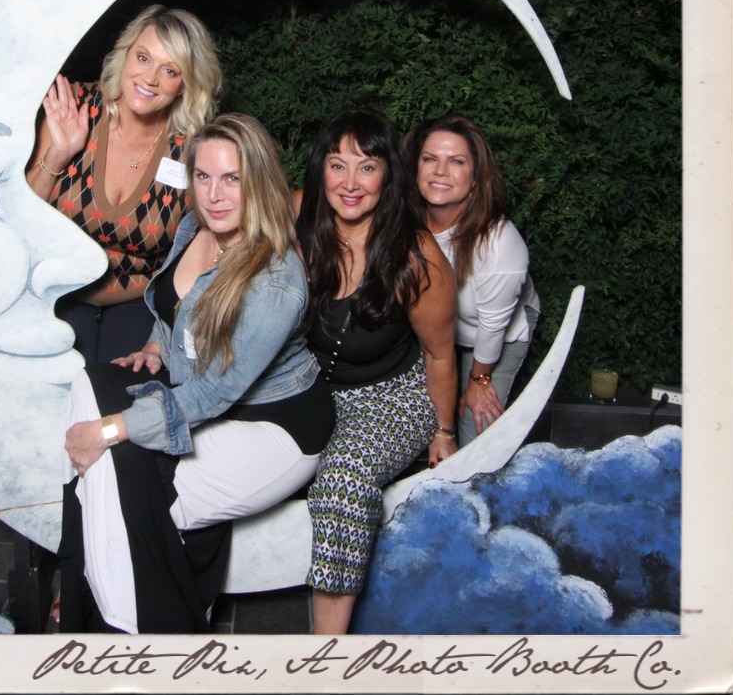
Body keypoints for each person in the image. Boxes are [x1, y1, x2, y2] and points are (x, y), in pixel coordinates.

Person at [59, 113, 336, 634]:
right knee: (91, 382)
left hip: (273, 425)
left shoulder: (277, 279)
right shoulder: (194, 229)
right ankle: (109, 599)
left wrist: (108, 431)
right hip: (201, 395)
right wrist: (154, 347)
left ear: (259, 181)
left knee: (120, 474)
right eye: (204, 177)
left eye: (232, 179)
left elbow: (212, 394)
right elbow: (174, 310)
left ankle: (133, 631)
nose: (214, 194)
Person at [294, 110, 458, 636]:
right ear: (320, 169)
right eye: (337, 165)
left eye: (366, 167)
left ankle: (326, 652)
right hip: (309, 389)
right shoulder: (298, 220)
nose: (350, 182)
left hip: (391, 396)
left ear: (388, 175)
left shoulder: (416, 255)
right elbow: (221, 209)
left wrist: (444, 432)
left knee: (342, 481)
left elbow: (439, 355)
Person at [26, 4, 223, 368]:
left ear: (186, 84)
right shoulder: (75, 108)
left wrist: (161, 338)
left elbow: (209, 248)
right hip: (54, 293)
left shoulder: (195, 150)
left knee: (122, 389)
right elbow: (20, 218)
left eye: (170, 70)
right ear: (126, 54)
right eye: (143, 58)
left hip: (137, 302)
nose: (150, 79)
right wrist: (58, 155)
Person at [403, 115, 540, 447]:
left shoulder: (500, 243)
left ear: (476, 178)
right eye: (430, 159)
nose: (440, 171)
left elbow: (493, 326)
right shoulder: (401, 224)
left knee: (474, 432)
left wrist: (479, 381)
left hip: (496, 335)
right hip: (437, 335)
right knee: (422, 418)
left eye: (456, 161)